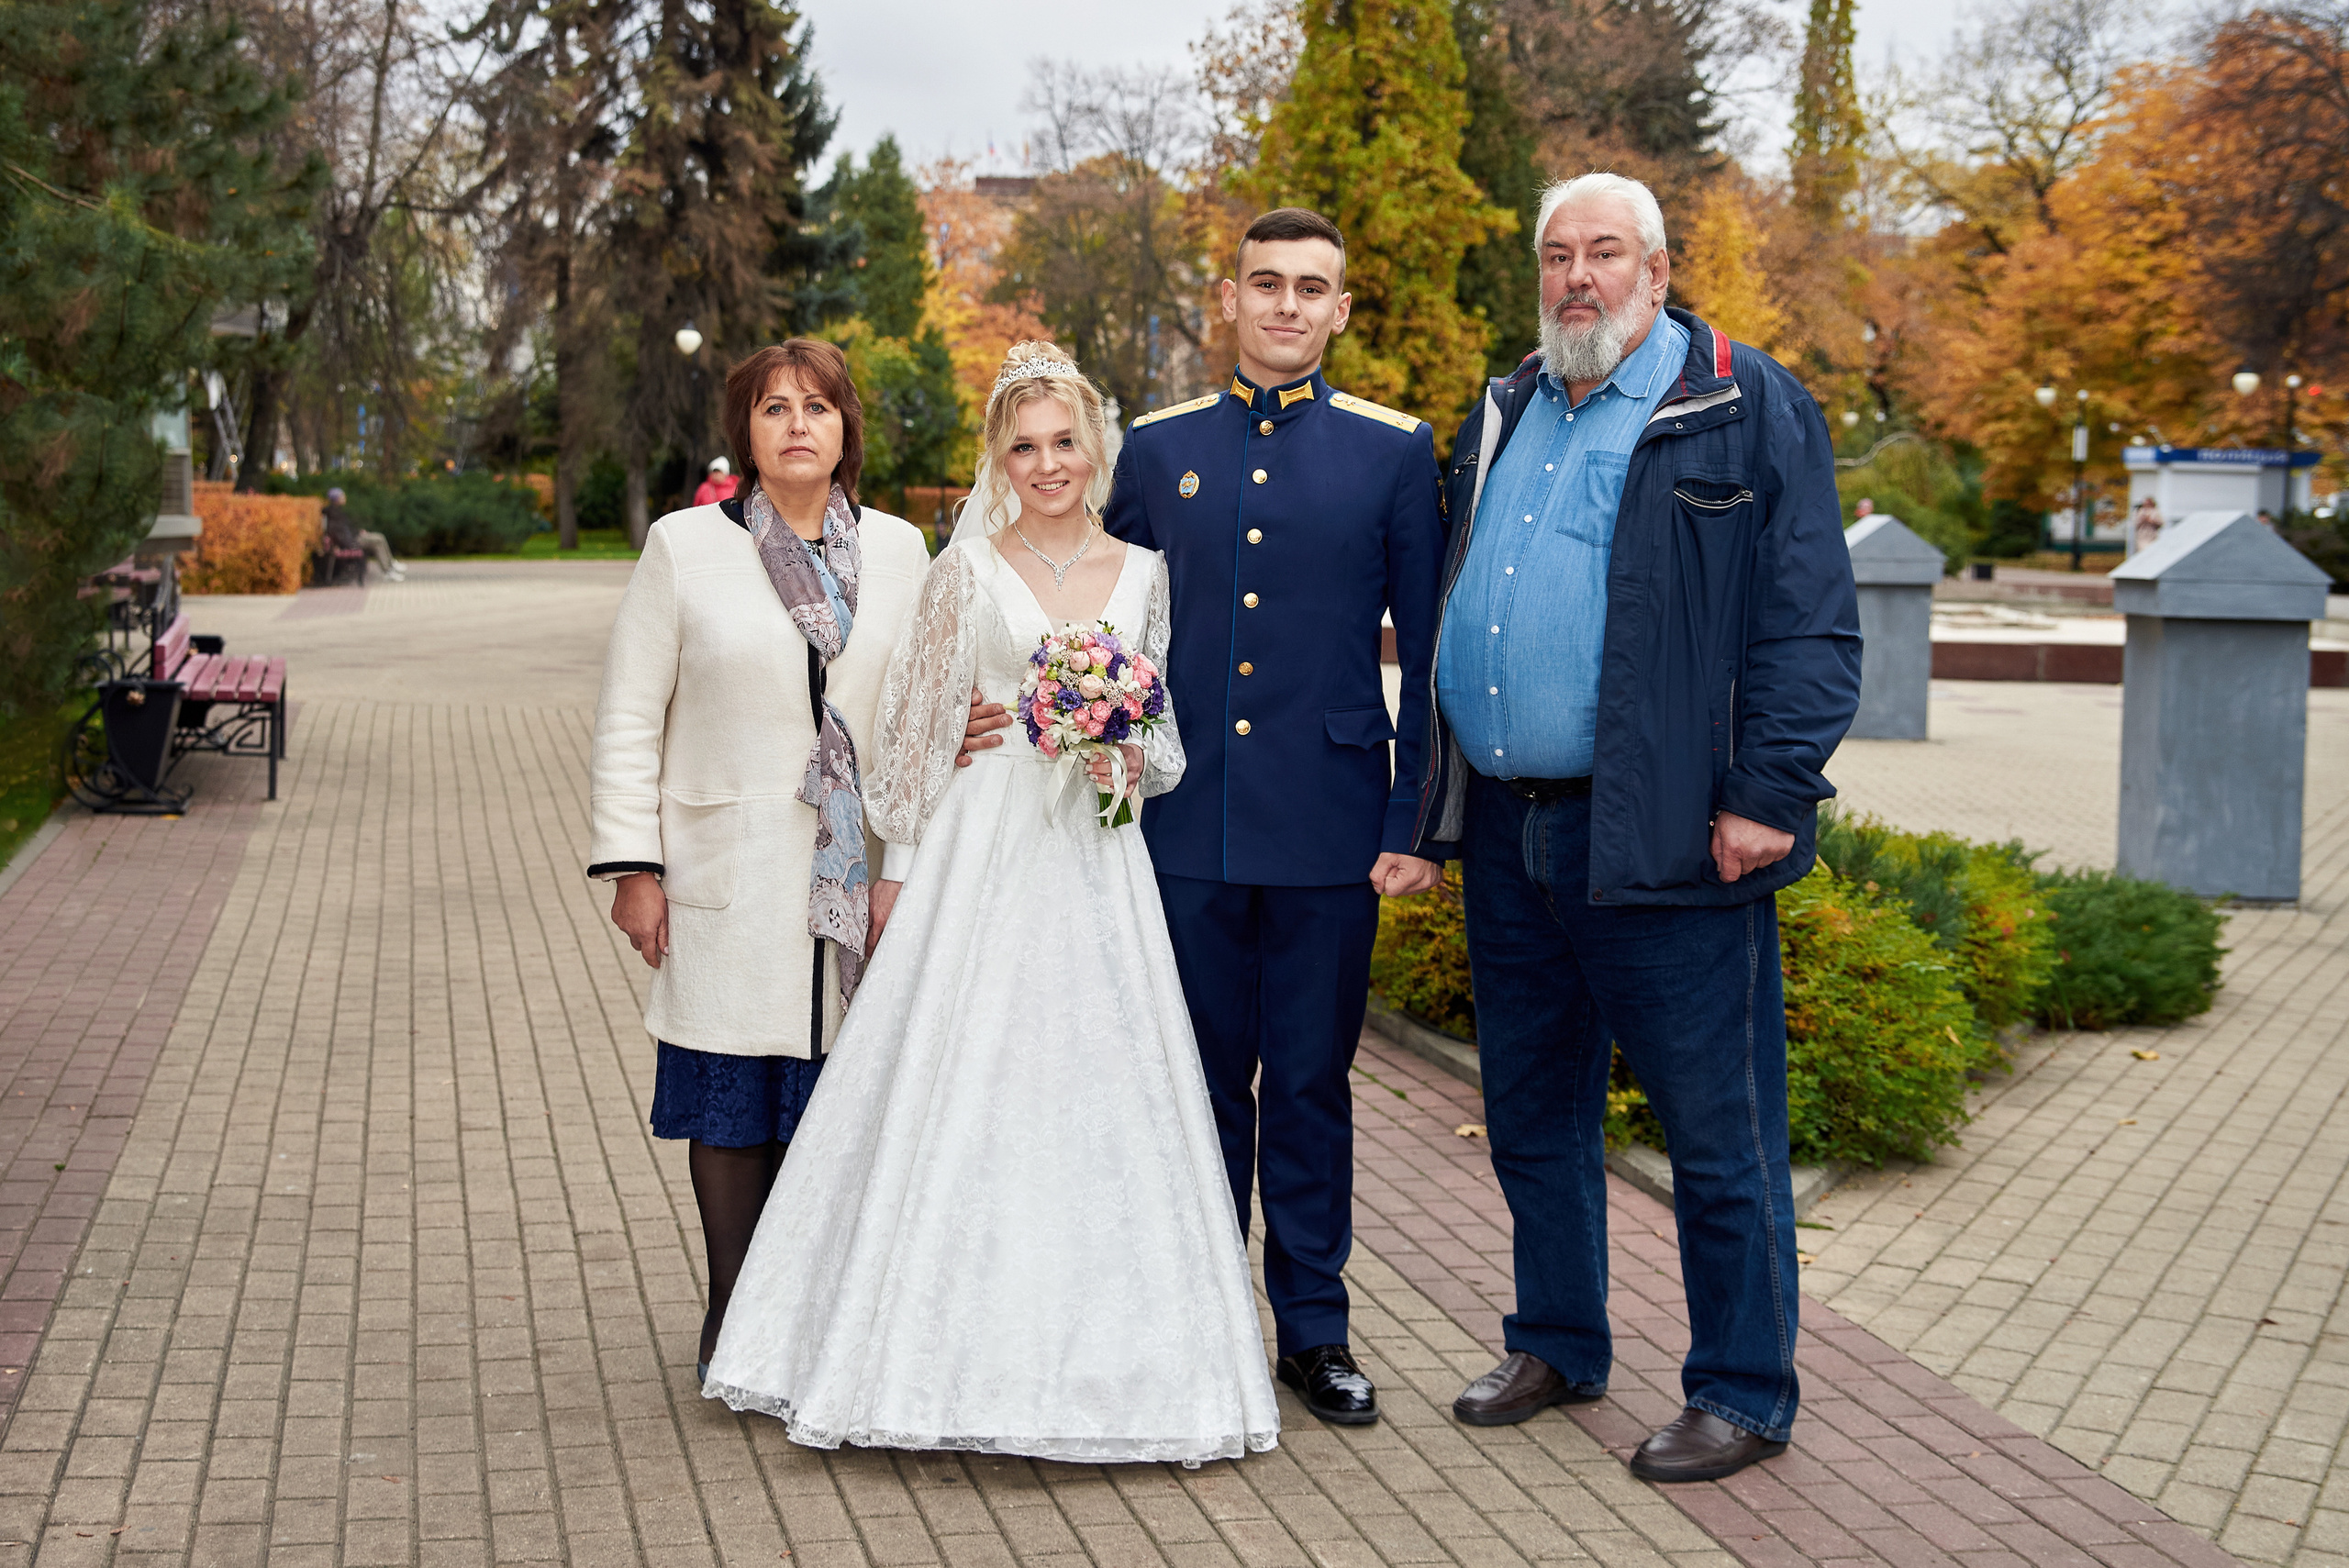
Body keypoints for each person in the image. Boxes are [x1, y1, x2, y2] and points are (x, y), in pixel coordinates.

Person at [701, 341, 1278, 1464]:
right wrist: (896, 877)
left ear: (1095, 448)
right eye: (1025, 445)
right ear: (998, 459)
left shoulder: (1146, 575)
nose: (1047, 462)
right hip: (982, 842)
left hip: (1095, 857)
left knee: (1099, 1087)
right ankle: (908, 1343)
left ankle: (1119, 1363)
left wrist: (1121, 752)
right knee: (959, 1075)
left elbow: (1164, 739)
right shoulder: (962, 573)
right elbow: (912, 738)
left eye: (1065, 441)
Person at [1414, 172, 1861, 1482]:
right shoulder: (1507, 407)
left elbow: (1811, 620)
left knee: (1718, 1137)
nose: (1578, 278)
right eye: (1557, 255)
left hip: (1671, 832)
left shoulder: (1738, 401)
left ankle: (1743, 1389)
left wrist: (1767, 796)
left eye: (1605, 253)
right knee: (1533, 1115)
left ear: (1659, 271)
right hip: (1513, 830)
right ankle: (1558, 1339)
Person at [1103, 207, 1447, 1428]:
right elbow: (1107, 639)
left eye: (1313, 288)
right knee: (1193, 1086)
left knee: (1307, 1084)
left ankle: (1315, 1330)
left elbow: (1434, 652)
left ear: (1342, 310)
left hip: (1330, 830)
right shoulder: (1150, 453)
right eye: (1267, 284)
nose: (1288, 305)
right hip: (1181, 827)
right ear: (1231, 299)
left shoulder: (1396, 455)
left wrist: (1414, 823)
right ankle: (1195, 1318)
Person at [585, 339, 934, 1383]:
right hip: (727, 873)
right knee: (735, 1097)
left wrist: (900, 867)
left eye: (817, 407)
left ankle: (814, 1317)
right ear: (744, 430)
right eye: (773, 407)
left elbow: (918, 726)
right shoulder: (686, 545)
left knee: (837, 1103)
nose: (796, 425)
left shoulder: (904, 550)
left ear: (845, 430)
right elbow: (628, 714)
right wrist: (633, 867)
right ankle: (734, 1309)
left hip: (856, 874)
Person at [321, 487, 404, 581]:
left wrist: (358, 531)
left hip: (353, 537)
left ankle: (389, 566)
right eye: (342, 496)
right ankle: (388, 568)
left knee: (379, 538)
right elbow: (341, 533)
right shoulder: (334, 514)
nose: (344, 497)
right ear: (336, 499)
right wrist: (353, 537)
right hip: (351, 541)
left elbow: (347, 529)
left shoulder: (336, 511)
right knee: (377, 540)